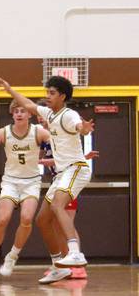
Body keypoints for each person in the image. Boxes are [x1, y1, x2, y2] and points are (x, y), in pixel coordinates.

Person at [0, 76, 94, 285]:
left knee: (59, 205)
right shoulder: (49, 113)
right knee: (42, 220)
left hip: (75, 169)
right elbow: (28, 104)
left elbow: (79, 126)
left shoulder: (69, 115)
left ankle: (75, 252)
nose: (47, 96)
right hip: (61, 174)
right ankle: (58, 266)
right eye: (47, 92)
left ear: (62, 96)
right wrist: (10, 90)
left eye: (51, 93)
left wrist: (84, 129)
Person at [0, 99, 51, 276]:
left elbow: (61, 146)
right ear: (12, 114)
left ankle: (12, 256)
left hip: (31, 182)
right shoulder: (3, 133)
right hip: (11, 181)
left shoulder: (39, 132)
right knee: (3, 218)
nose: (19, 113)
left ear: (30, 114)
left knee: (27, 218)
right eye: (16, 111)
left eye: (23, 110)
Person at [38, 117, 99, 280]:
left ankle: (78, 266)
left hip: (68, 181)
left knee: (67, 225)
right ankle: (63, 264)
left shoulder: (63, 132)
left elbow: (66, 159)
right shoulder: (45, 138)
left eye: (43, 118)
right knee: (55, 225)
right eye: (39, 119)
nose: (41, 121)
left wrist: (42, 161)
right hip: (57, 181)